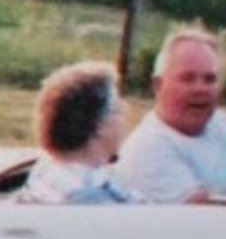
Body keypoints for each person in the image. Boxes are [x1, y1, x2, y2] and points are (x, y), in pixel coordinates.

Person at [115, 27, 226, 202]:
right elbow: (206, 213)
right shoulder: (149, 148)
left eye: (210, 79)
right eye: (188, 79)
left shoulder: (224, 124)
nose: (201, 89)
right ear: (158, 85)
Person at [18, 61, 142, 204]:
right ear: (100, 125)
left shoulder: (42, 174)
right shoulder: (91, 201)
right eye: (117, 108)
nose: (126, 112)